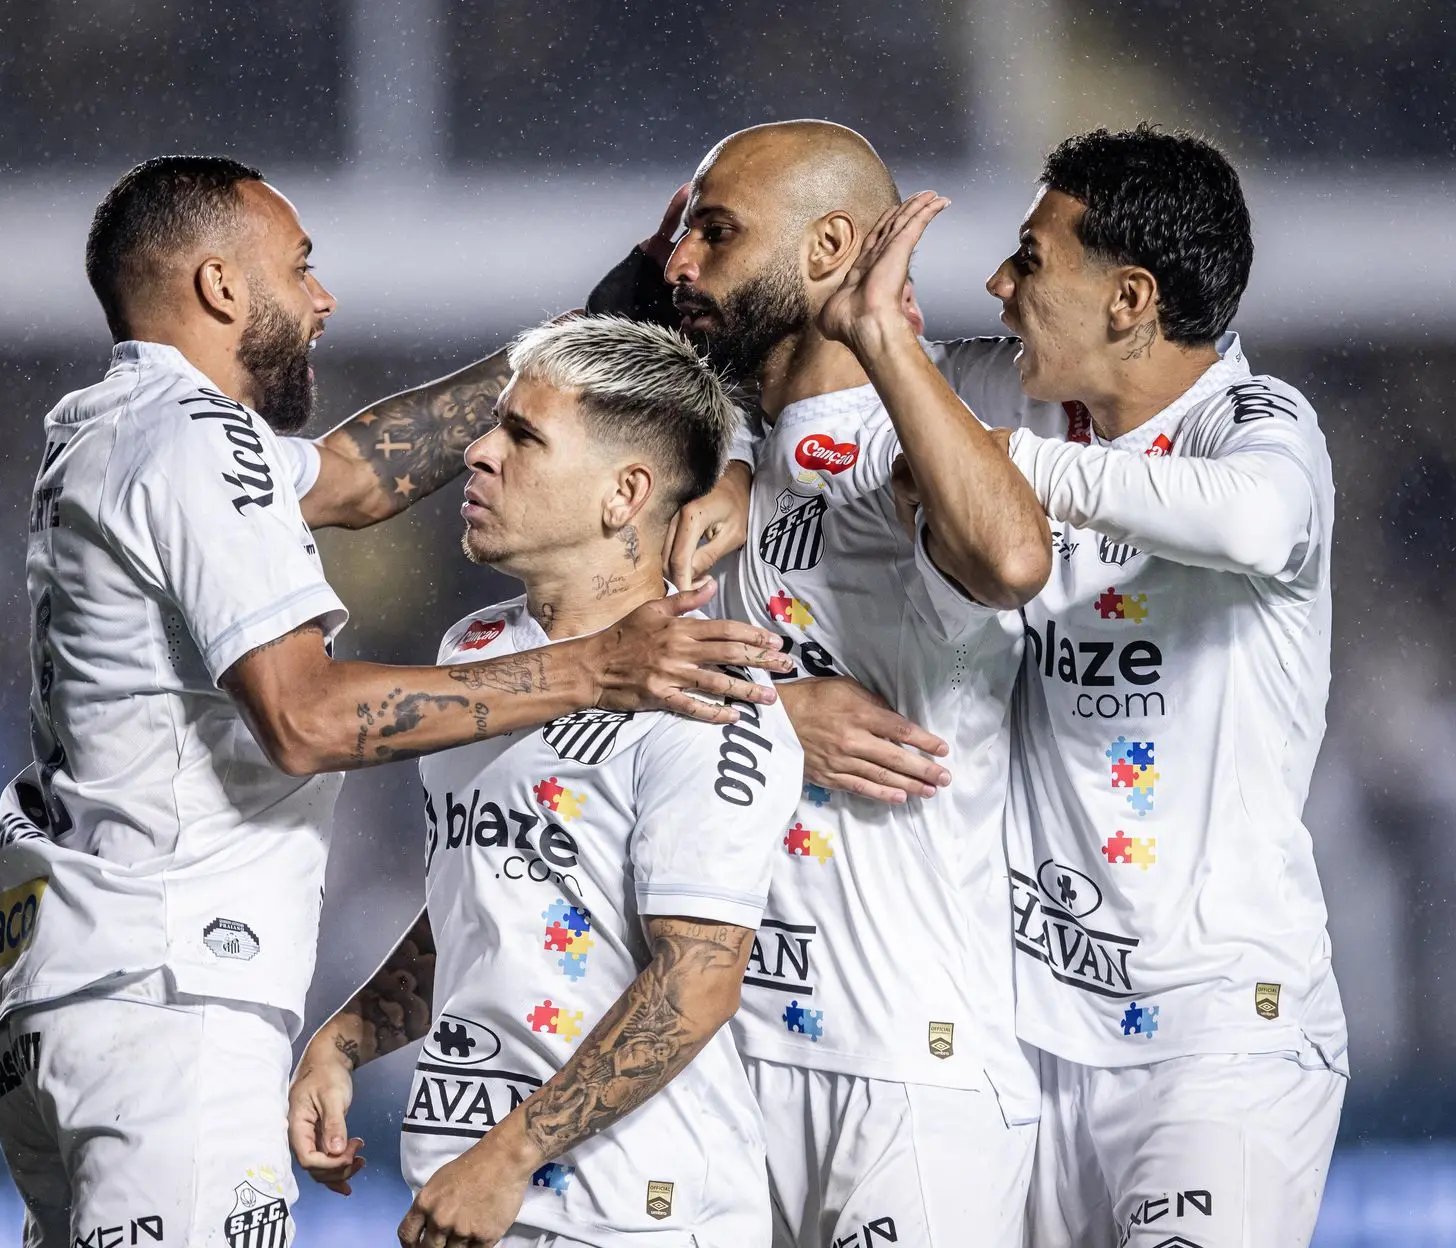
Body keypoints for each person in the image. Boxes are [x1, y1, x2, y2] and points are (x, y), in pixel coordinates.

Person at [0, 155, 792, 1248]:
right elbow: (308, 718)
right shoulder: (198, 440)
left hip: (69, 985)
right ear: (221, 286)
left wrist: (605, 321)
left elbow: (358, 477)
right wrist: (597, 669)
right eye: (299, 268)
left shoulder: (109, 427)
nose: (322, 299)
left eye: (523, 435)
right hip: (166, 997)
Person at [608, 120, 1058, 1246]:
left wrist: (880, 340)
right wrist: (769, 717)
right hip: (718, 1074)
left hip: (904, 1075)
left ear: (828, 250)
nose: (680, 264)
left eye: (717, 233)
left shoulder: (910, 449)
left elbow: (1012, 560)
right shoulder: (711, 476)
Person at [288, 315, 803, 1247]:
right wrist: (348, 1039)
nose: (478, 453)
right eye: (494, 425)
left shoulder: (709, 691)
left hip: (634, 1214)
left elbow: (697, 980)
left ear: (623, 494)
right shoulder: (475, 648)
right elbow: (487, 895)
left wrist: (509, 1157)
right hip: (471, 1183)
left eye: (522, 436)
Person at [986, 125, 1348, 1246]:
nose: (999, 284)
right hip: (1028, 1035)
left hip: (1220, 1037)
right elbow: (831, 389)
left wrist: (1012, 467)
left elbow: (1257, 520)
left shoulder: (1257, 421)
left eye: (1031, 259)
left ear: (1130, 298)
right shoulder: (1025, 393)